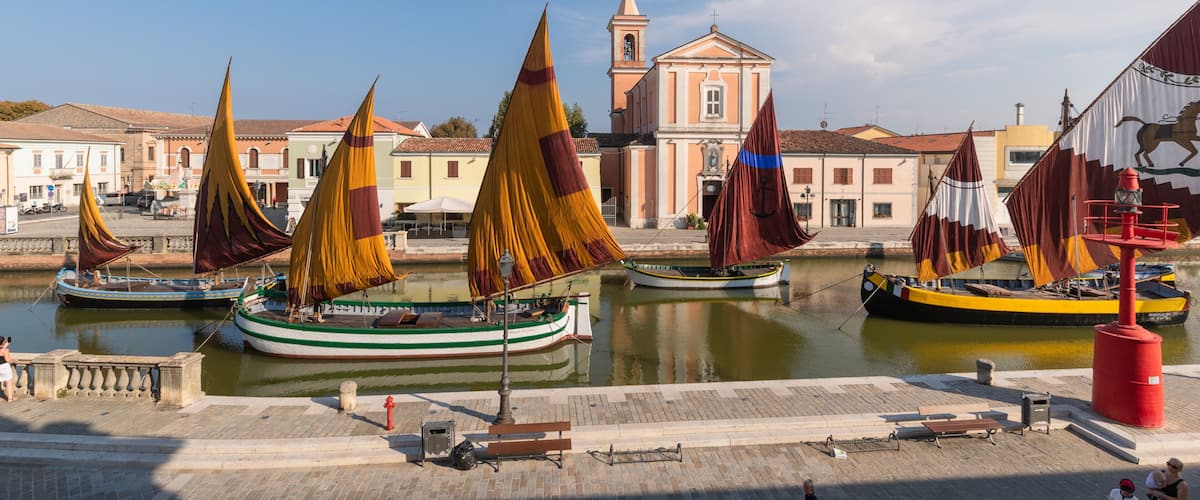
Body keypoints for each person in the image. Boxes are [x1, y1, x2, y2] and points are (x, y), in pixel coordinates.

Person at [0, 337, 15, 402]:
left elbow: (1, 348)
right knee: (8, 382)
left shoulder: (3, 348)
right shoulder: (5, 350)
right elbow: (7, 359)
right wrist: (14, 360)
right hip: (4, 367)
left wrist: (7, 344)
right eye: (4, 341)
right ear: (3, 343)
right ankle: (10, 399)